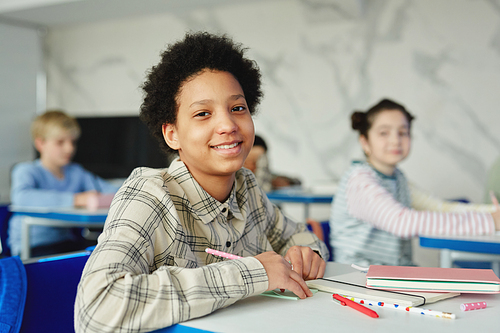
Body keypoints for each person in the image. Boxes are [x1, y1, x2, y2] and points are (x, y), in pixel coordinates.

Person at [74, 32, 328, 332]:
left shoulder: (246, 187)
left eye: (237, 108)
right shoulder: (151, 195)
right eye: (203, 113)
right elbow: (96, 310)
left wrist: (306, 255)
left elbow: (301, 238)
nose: (228, 125)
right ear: (173, 134)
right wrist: (252, 273)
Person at [330, 98, 500, 267]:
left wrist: (491, 212)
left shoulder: (398, 179)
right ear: (364, 142)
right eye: (384, 133)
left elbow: (437, 207)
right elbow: (401, 222)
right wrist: (490, 222)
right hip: (357, 276)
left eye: (403, 132)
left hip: (391, 272)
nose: (395, 140)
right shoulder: (360, 181)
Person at [8, 110, 118, 257]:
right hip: (32, 246)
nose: (69, 148)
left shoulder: (75, 172)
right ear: (40, 143)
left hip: (65, 243)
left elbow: (107, 189)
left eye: (73, 142)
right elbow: (21, 197)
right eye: (60, 142)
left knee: (102, 255)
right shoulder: (26, 170)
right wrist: (77, 199)